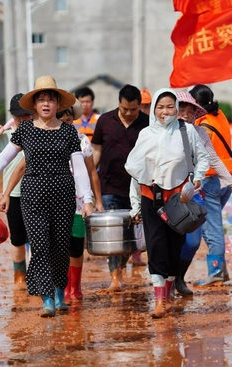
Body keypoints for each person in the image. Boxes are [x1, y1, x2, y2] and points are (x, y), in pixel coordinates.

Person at [0, 76, 94, 318]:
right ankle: (46, 298)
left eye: (51, 99)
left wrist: (87, 199)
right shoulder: (25, 130)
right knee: (39, 246)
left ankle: (60, 292)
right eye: (41, 99)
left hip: (63, 194)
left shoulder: (69, 131)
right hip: (33, 195)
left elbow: (79, 168)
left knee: (60, 246)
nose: (46, 103)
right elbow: (5, 158)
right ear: (35, 105)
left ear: (58, 104)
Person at [125, 88, 209, 318]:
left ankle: (168, 291)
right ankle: (160, 301)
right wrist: (135, 206)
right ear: (153, 109)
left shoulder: (188, 131)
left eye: (170, 106)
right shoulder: (145, 134)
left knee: (174, 247)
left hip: (178, 200)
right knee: (155, 246)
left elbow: (203, 158)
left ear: (176, 108)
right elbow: (136, 172)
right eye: (160, 107)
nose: (165, 111)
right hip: (150, 198)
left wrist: (196, 181)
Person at [174, 91, 232, 296]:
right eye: (181, 109)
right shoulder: (162, 134)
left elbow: (213, 159)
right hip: (170, 194)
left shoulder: (200, 132)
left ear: (197, 111)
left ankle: (180, 277)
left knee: (195, 238)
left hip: (201, 188)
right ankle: (165, 284)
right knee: (170, 239)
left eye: (190, 109)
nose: (186, 114)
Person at [91, 84, 149, 291]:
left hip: (138, 189)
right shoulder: (105, 121)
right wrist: (89, 179)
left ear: (139, 106)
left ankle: (122, 266)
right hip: (109, 187)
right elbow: (96, 153)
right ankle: (116, 278)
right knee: (114, 235)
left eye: (133, 109)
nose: (129, 113)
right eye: (125, 109)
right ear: (119, 104)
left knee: (131, 234)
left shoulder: (148, 124)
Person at [190, 85, 232, 287]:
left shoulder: (202, 126)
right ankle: (221, 270)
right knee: (212, 225)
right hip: (226, 178)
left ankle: (216, 271)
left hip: (209, 181)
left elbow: (210, 158)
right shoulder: (219, 115)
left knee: (211, 228)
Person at [0, 93, 33, 291]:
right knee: (18, 238)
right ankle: (19, 275)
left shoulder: (37, 132)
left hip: (34, 192)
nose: (23, 119)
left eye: (26, 115)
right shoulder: (6, 136)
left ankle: (37, 276)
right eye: (19, 116)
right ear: (13, 115)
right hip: (12, 195)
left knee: (37, 237)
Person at [56, 101, 104, 303]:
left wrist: (97, 201)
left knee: (76, 246)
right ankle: (63, 288)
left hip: (78, 203)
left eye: (69, 120)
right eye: (62, 121)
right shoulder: (46, 140)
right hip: (55, 201)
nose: (66, 124)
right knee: (60, 246)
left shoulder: (82, 140)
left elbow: (92, 173)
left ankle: (75, 287)